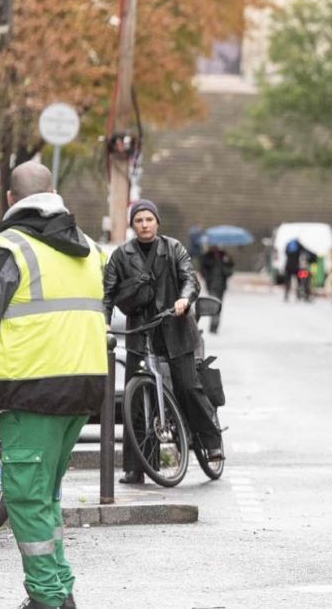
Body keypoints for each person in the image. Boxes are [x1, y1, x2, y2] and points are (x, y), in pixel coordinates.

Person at [0, 161, 106, 609]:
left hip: (28, 389)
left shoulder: (9, 247)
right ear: (54, 191)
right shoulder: (90, 248)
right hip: (83, 389)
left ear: (11, 199)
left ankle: (48, 599)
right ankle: (58, 589)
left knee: (26, 498)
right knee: (44, 496)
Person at [103, 199, 223, 483]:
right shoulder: (121, 255)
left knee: (187, 386)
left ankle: (210, 441)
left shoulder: (174, 248)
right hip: (139, 332)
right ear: (133, 225)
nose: (144, 225)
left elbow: (190, 278)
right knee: (134, 400)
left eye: (149, 219)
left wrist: (183, 299)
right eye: (139, 220)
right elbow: (107, 293)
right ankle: (136, 467)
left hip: (175, 329)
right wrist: (104, 322)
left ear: (157, 222)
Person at [198, 245, 235, 334]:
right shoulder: (207, 256)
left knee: (219, 305)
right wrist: (208, 278)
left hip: (221, 285)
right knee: (214, 304)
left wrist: (227, 261)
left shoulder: (224, 255)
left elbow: (230, 270)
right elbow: (202, 269)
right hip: (211, 285)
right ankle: (213, 325)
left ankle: (215, 325)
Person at [283, 238, 317, 302]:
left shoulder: (288, 245)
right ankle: (299, 295)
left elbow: (285, 253)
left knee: (288, 281)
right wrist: (314, 255)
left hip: (288, 267)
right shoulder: (298, 245)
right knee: (300, 281)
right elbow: (306, 250)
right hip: (296, 268)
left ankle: (286, 295)